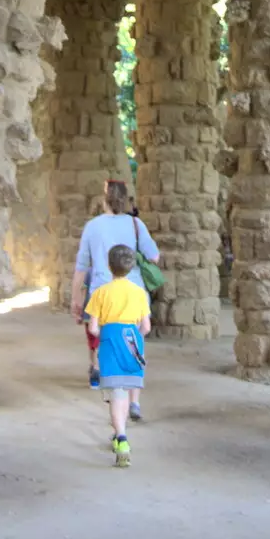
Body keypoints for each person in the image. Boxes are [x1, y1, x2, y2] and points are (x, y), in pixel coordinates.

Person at [70, 178, 160, 424]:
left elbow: (81, 267)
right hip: (134, 293)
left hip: (103, 293)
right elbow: (154, 256)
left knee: (105, 341)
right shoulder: (135, 224)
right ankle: (135, 402)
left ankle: (112, 389)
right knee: (135, 341)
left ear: (104, 200)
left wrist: (75, 298)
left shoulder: (92, 227)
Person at [85, 245, 150, 467]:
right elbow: (146, 327)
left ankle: (121, 438)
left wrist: (107, 335)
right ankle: (120, 433)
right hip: (132, 340)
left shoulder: (100, 293)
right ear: (131, 267)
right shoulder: (139, 293)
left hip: (110, 341)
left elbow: (93, 328)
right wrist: (134, 339)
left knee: (116, 393)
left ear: (109, 266)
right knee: (126, 388)